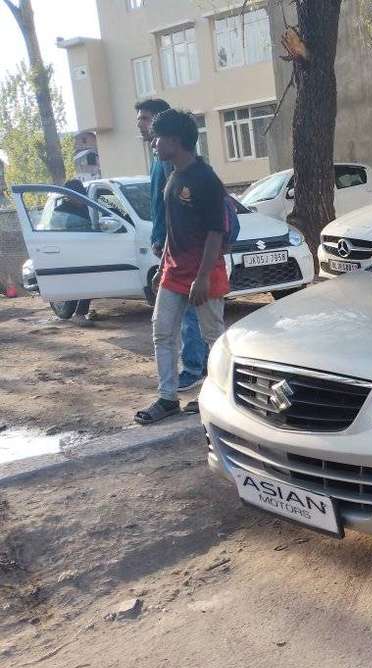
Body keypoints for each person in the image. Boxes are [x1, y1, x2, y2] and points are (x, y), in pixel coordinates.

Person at [135, 109, 229, 424]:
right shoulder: (172, 176)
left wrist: (202, 278)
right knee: (162, 333)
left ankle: (224, 395)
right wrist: (162, 267)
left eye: (158, 138)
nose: (153, 143)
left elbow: (217, 231)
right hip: (173, 274)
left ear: (175, 141)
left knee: (214, 336)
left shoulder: (207, 179)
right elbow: (173, 232)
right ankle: (167, 398)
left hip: (205, 274)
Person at [136, 98, 208, 393]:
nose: (141, 124)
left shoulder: (177, 164)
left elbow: (185, 212)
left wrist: (170, 246)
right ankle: (184, 375)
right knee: (169, 323)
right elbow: (161, 205)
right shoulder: (159, 159)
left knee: (193, 314)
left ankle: (195, 367)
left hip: (184, 253)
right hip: (169, 250)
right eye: (140, 119)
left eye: (145, 119)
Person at [52, 178, 98, 325]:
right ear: (69, 195)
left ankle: (78, 312)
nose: (82, 199)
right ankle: (79, 314)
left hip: (85, 251)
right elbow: (56, 234)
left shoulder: (85, 208)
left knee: (88, 282)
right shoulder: (60, 211)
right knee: (84, 282)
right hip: (69, 253)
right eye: (78, 195)